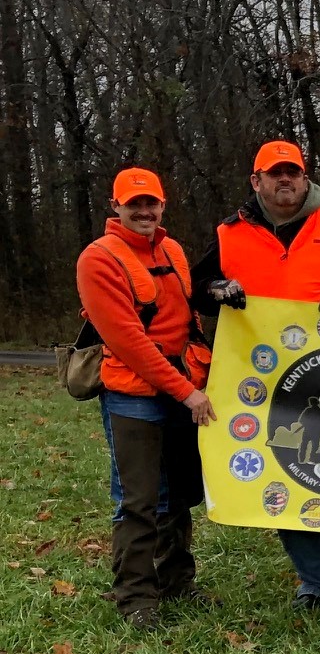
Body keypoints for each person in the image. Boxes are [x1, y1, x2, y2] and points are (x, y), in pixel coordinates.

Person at [196, 140, 320, 615]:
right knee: (284, 473)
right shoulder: (229, 234)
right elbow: (196, 291)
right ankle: (316, 581)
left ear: (305, 179)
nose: (285, 180)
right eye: (274, 173)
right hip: (263, 383)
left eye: (293, 172)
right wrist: (217, 289)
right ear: (256, 181)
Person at [77, 168, 216, 629]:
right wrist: (187, 393)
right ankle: (136, 598)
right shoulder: (98, 259)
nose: (143, 211)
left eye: (150, 203)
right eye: (133, 203)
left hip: (182, 387)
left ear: (162, 205)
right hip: (134, 394)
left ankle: (177, 581)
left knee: (177, 495)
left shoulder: (172, 250)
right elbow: (129, 342)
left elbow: (188, 320)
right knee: (138, 500)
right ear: (115, 207)